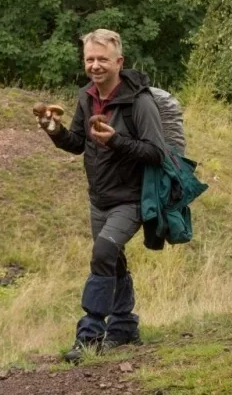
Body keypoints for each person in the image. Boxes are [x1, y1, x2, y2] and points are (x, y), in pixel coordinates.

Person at [35, 29, 165, 364]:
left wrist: (116, 140)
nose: (95, 65)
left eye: (102, 59)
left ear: (119, 62)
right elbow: (77, 143)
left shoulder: (140, 102)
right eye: (89, 59)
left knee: (103, 252)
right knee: (113, 259)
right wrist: (53, 129)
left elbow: (156, 153)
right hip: (99, 199)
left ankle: (89, 337)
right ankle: (124, 328)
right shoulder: (86, 96)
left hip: (132, 198)